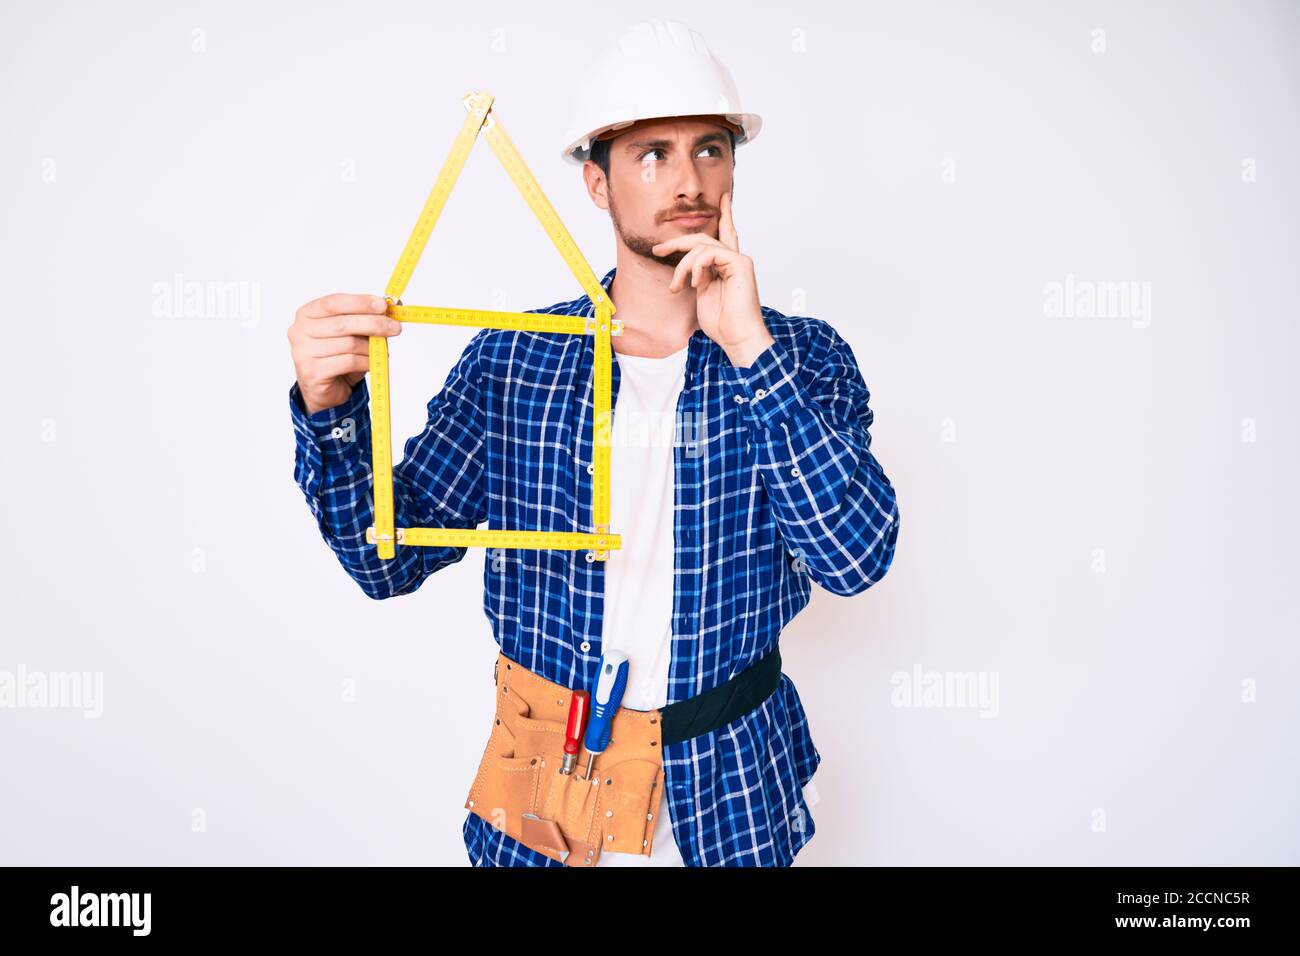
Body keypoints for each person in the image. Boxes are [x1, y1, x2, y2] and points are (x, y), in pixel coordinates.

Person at [286, 18, 899, 866]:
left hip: (727, 800)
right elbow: (383, 563)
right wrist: (331, 407)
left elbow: (856, 559)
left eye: (710, 149)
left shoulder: (802, 357)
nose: (688, 179)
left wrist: (749, 347)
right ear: (596, 182)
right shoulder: (515, 358)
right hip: (543, 794)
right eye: (651, 154)